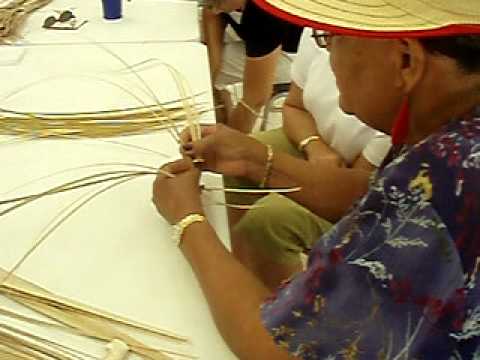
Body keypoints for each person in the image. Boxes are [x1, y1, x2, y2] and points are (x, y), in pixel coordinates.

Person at [152, 0, 480, 358]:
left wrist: (188, 220)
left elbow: (281, 350)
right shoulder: (447, 122)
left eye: (332, 37)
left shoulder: (450, 175)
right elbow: (377, 197)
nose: (325, 51)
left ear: (405, 61)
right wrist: (253, 158)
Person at [224, 27, 391, 290]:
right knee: (239, 156)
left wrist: (189, 222)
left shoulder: (389, 77)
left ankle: (281, 313)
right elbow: (293, 106)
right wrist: (315, 147)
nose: (326, 43)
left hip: (365, 187)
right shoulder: (318, 31)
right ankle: (242, 272)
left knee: (268, 220)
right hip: (316, 143)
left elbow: (356, 188)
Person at [202, 0, 302, 132]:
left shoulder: (266, 15)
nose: (214, 9)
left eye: (217, 4)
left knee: (200, 66)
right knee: (204, 59)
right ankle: (221, 111)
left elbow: (256, 98)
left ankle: (222, 124)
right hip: (263, 33)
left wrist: (227, 142)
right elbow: (211, 15)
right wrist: (213, 69)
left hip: (294, 56)